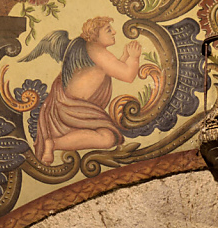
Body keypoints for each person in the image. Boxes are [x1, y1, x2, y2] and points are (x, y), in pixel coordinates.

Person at [22, 16, 141, 164]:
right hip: (72, 110)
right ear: (95, 35)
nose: (114, 32)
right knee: (108, 139)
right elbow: (128, 76)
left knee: (107, 138)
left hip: (72, 109)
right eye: (108, 30)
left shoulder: (90, 49)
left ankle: (53, 143)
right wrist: (134, 58)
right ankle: (53, 143)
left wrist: (125, 56)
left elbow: (110, 69)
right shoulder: (98, 52)